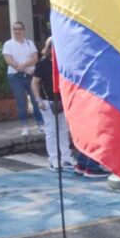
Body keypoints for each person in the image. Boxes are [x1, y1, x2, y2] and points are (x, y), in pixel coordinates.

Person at [31, 38, 74, 171]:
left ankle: (66, 157)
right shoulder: (42, 64)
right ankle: (54, 159)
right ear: (49, 48)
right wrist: (38, 100)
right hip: (47, 101)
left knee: (62, 129)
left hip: (61, 101)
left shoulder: (61, 63)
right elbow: (35, 83)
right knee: (51, 131)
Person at [2, 21, 44, 136]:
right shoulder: (8, 44)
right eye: (15, 29)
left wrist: (23, 66)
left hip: (30, 74)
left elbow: (35, 58)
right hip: (15, 76)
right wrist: (19, 67)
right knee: (21, 101)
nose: (17, 31)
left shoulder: (29, 43)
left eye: (19, 29)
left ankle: (40, 124)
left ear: (23, 30)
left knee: (36, 99)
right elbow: (8, 60)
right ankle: (25, 126)